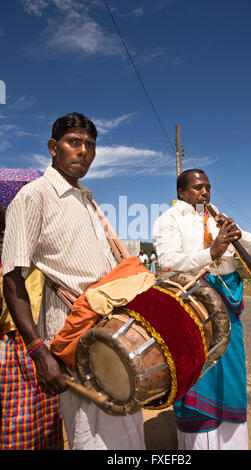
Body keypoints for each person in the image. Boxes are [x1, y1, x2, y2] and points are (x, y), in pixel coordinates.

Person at [2, 112, 145, 450]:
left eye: (90, 145)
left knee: (127, 429)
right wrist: (40, 352)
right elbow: (13, 279)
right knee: (94, 437)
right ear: (54, 147)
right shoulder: (33, 196)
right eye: (74, 142)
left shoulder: (86, 198)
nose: (83, 151)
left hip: (110, 334)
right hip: (74, 339)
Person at [152, 169, 251, 450]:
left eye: (208, 188)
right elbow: (167, 261)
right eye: (198, 188)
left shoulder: (218, 217)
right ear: (181, 193)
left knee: (230, 371)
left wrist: (237, 233)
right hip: (192, 304)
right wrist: (210, 253)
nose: (205, 193)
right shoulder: (169, 220)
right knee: (197, 370)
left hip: (227, 300)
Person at [0, 203, 63, 450]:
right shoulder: (10, 249)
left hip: (44, 336)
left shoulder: (42, 245)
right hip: (17, 339)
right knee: (18, 423)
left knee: (49, 418)